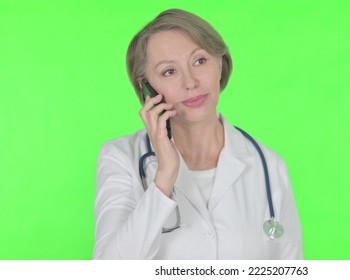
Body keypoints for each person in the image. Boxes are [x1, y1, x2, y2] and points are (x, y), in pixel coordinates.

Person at [93, 8, 303, 259]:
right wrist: (164, 177)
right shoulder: (120, 158)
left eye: (199, 61)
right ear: (146, 87)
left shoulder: (269, 165)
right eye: (169, 71)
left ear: (220, 64)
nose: (190, 82)